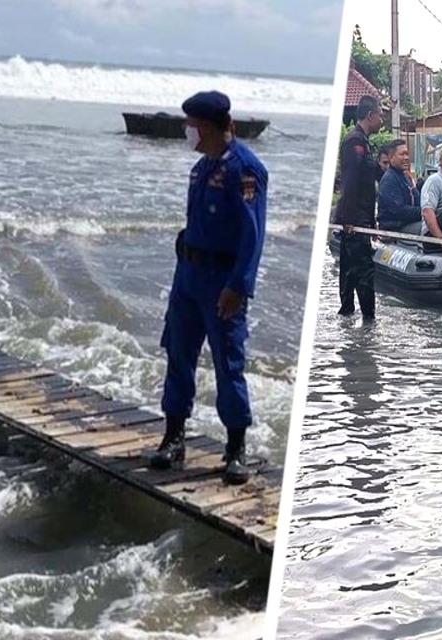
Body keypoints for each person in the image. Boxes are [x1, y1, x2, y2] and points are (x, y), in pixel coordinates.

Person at [150, 90, 267, 485]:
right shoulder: (201, 168)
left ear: (221, 128)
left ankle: (235, 449)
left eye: (195, 127)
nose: (189, 134)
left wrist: (239, 286)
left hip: (223, 282)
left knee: (227, 363)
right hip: (188, 277)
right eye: (189, 127)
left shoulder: (244, 170)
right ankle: (173, 437)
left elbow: (252, 236)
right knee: (178, 355)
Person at [336, 94, 383, 319]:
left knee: (350, 271)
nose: (382, 120)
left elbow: (366, 183)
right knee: (363, 271)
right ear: (370, 115)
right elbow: (351, 182)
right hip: (354, 220)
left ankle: (348, 320)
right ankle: (368, 323)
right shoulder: (355, 142)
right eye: (380, 115)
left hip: (360, 217)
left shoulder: (364, 142)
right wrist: (349, 219)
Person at [377, 139, 421, 233]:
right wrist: (424, 212)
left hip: (409, 223)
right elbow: (400, 211)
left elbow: (418, 199)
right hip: (395, 229)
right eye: (402, 154)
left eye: (407, 154)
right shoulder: (389, 180)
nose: (406, 158)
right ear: (391, 157)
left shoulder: (406, 176)